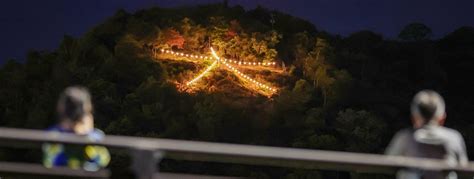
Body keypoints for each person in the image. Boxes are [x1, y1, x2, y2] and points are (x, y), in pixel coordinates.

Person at [385, 90, 468, 179]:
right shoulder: (454, 138)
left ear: (413, 118)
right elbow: (464, 169)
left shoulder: (404, 137)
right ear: (442, 119)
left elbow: (387, 164)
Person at [43, 86, 110, 171]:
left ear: (61, 109)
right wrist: (88, 134)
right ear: (86, 111)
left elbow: (49, 162)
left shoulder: (52, 134)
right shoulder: (95, 137)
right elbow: (103, 161)